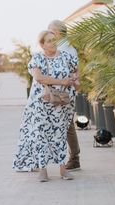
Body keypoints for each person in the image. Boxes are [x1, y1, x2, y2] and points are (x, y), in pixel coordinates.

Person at [13, 30, 77, 182]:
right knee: (41, 135)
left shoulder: (66, 56)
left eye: (54, 40)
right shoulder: (37, 58)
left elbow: (75, 71)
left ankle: (63, 170)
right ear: (42, 44)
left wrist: (74, 79)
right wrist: (62, 82)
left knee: (60, 134)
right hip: (41, 105)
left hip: (61, 104)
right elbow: (39, 78)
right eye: (48, 41)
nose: (52, 43)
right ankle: (43, 170)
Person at [48, 19, 81, 171]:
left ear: (59, 33)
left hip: (63, 92)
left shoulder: (66, 49)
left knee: (66, 125)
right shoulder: (62, 47)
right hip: (60, 91)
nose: (49, 34)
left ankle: (74, 158)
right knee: (67, 125)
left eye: (51, 31)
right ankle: (73, 158)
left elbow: (74, 72)